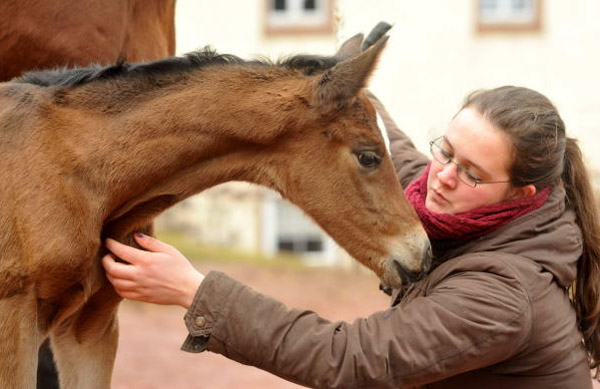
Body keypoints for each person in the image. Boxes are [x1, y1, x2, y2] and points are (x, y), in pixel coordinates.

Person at [103, 86, 600, 388]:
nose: (442, 177)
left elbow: (350, 359)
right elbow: (395, 156)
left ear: (520, 192)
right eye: (445, 151)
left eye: (470, 172)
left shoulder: (503, 294)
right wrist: (355, 91)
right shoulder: (485, 212)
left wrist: (194, 291)